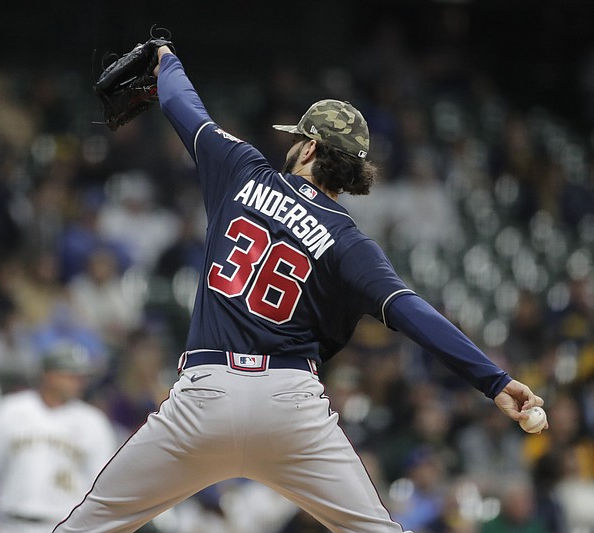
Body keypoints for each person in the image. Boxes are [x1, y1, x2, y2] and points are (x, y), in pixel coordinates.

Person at [54, 43, 547, 533]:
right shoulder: (350, 242)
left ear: (309, 147)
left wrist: (167, 61)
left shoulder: (242, 169)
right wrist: (495, 381)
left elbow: (187, 108)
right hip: (290, 408)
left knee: (89, 526)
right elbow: (413, 312)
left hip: (205, 398)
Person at [0, 340, 116, 533]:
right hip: (9, 523)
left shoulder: (94, 423)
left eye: (81, 376)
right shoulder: (10, 409)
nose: (79, 382)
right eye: (71, 375)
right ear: (49, 375)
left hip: (64, 525)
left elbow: (105, 486)